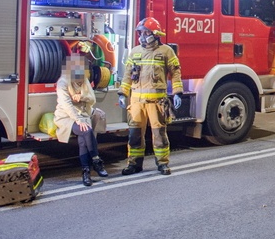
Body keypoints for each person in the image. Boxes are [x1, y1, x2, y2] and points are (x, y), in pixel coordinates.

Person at [119, 17, 183, 175]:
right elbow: (127, 75)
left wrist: (177, 93)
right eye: (141, 32)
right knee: (134, 134)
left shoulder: (166, 51)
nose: (142, 35)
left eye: (146, 32)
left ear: (155, 34)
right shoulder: (135, 52)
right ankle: (134, 164)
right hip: (136, 102)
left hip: (156, 102)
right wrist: (122, 93)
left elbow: (175, 72)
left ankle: (162, 163)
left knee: (159, 134)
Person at [54, 54, 108, 186]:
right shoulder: (62, 83)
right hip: (66, 117)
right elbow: (67, 105)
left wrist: (82, 97)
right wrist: (78, 120)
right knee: (86, 131)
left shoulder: (84, 80)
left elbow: (92, 99)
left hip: (84, 115)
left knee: (83, 138)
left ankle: (86, 172)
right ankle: (96, 160)